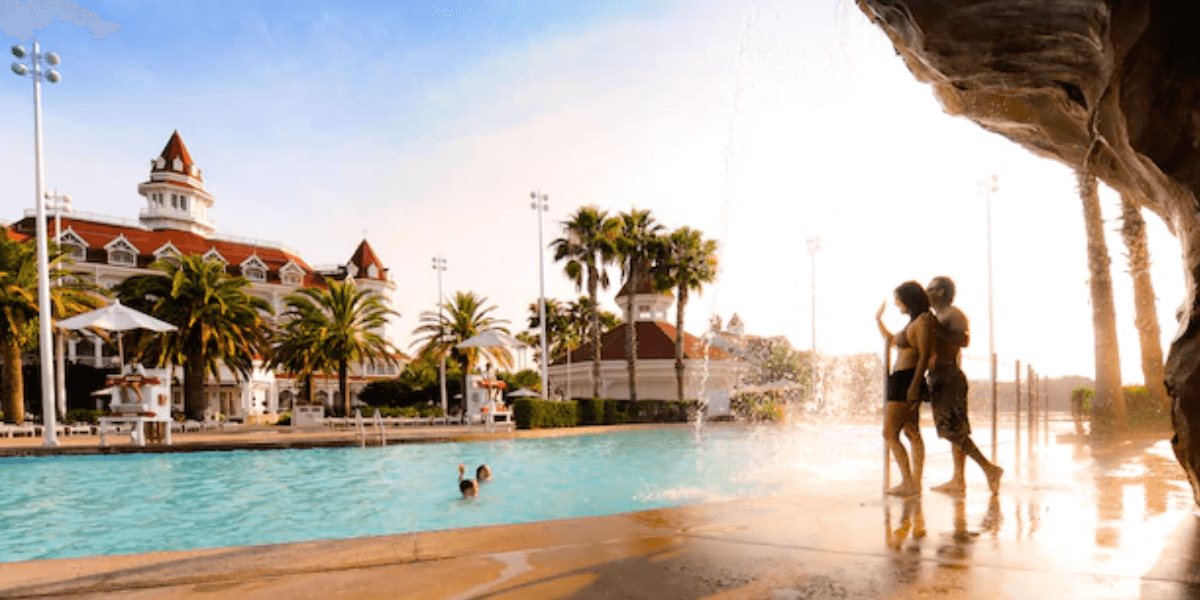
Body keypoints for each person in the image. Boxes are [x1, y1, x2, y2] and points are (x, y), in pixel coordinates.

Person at [925, 276, 1003, 496]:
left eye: (929, 289)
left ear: (940, 292)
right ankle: (958, 480)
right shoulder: (938, 315)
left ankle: (989, 468)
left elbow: (963, 340)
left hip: (949, 377)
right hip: (939, 376)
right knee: (955, 431)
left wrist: (934, 327)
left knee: (951, 432)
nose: (925, 292)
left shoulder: (952, 313)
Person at [875, 281, 934, 496]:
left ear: (908, 299)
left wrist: (915, 385)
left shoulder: (922, 322)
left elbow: (925, 355)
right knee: (911, 431)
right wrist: (878, 319)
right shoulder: (913, 324)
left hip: (906, 380)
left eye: (898, 299)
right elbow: (892, 341)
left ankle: (909, 482)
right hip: (901, 379)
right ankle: (913, 484)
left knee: (890, 433)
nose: (895, 303)